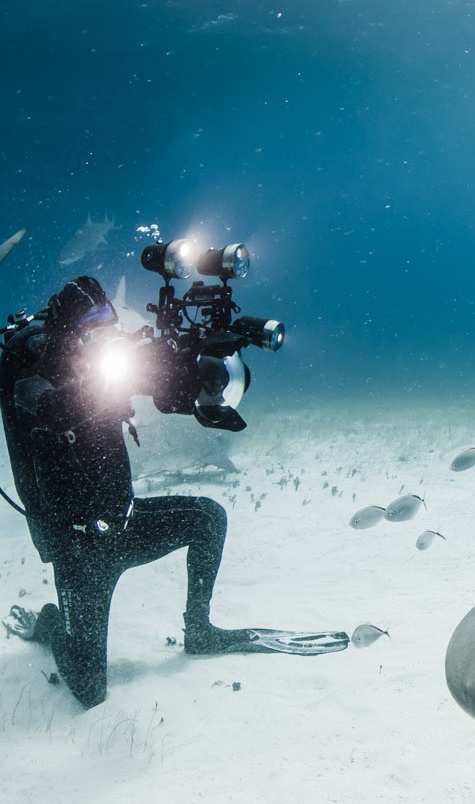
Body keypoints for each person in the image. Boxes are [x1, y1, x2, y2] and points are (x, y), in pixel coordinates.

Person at [0, 277, 317, 708]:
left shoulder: (101, 364)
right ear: (67, 334)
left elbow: (165, 384)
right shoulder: (28, 368)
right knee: (90, 691)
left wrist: (201, 362)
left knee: (209, 516)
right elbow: (55, 411)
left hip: (125, 523)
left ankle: (199, 632)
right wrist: (118, 379)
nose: (103, 343)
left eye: (107, 332)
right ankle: (53, 624)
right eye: (93, 334)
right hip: (79, 551)